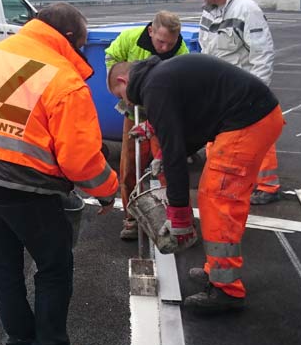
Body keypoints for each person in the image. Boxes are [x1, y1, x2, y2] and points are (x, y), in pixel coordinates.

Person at [0, 3, 119, 345]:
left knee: (5, 271)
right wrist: (108, 189)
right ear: (71, 39)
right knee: (54, 268)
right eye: (83, 43)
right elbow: (80, 161)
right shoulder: (65, 81)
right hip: (28, 190)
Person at [107, 54, 284, 313]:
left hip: (248, 121)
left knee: (218, 199)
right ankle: (217, 271)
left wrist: (178, 216)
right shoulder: (160, 77)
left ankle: (227, 291)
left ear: (123, 80)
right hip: (252, 116)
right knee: (219, 197)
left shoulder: (154, 87)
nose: (124, 101)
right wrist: (156, 133)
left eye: (119, 94)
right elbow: (192, 122)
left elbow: (176, 152)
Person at [190, 0, 280, 205]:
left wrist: (258, 93)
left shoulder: (246, 10)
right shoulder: (208, 11)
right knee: (217, 135)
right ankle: (224, 180)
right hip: (217, 89)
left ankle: (268, 185)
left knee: (255, 134)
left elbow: (262, 53)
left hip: (244, 88)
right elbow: (205, 47)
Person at [103, 11, 191, 240]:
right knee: (130, 165)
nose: (164, 48)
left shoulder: (180, 51)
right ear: (151, 31)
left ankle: (173, 213)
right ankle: (131, 217)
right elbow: (111, 58)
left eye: (169, 43)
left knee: (167, 164)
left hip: (164, 114)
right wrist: (123, 91)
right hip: (135, 111)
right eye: (160, 41)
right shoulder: (129, 38)